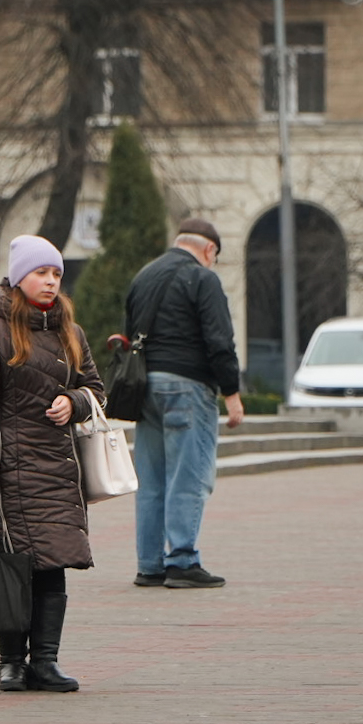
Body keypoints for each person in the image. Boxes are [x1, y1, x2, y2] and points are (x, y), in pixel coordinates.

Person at [0, 235, 105, 693]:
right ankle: (11, 663)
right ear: (18, 277)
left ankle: (45, 661)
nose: (50, 281)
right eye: (41, 273)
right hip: (11, 473)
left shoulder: (72, 333)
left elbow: (98, 391)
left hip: (59, 471)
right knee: (13, 567)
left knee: (54, 565)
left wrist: (75, 402)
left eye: (56, 274)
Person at [123, 218, 243, 589]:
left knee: (152, 479)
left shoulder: (144, 275)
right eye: (215, 258)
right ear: (210, 250)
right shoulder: (203, 279)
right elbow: (219, 340)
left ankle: (149, 564)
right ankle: (183, 560)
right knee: (189, 476)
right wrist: (232, 394)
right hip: (188, 387)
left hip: (146, 388)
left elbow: (129, 333)